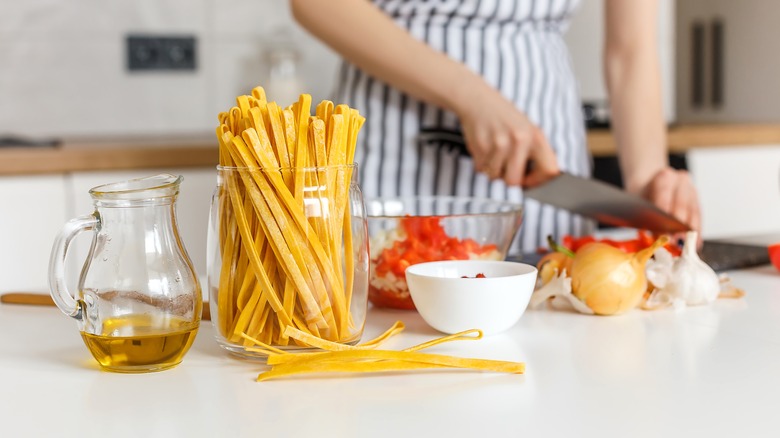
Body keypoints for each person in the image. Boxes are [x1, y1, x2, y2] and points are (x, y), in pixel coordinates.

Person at [289, 0, 701, 254]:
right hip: (393, 144)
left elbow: (631, 49)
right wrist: (469, 95)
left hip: (546, 154)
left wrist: (648, 179)